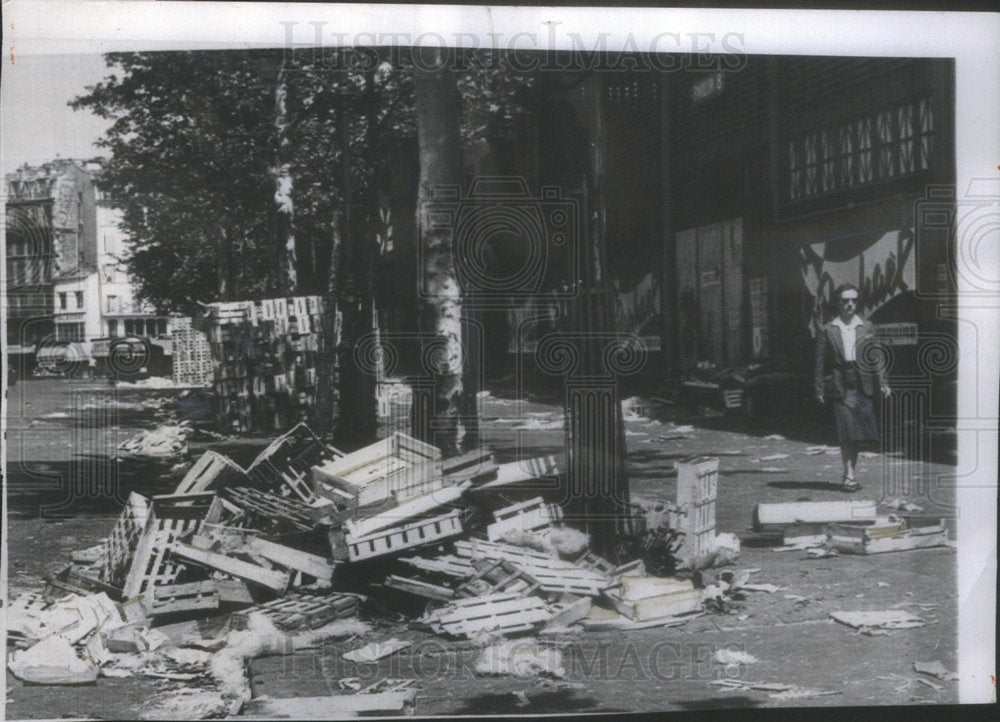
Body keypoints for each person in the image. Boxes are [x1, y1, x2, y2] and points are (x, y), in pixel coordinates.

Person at [814, 283, 891, 491]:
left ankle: (850, 473)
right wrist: (819, 388)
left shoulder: (866, 326)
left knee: (857, 433)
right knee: (847, 430)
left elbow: (876, 356)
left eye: (853, 301)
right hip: (840, 383)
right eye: (845, 301)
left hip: (861, 383)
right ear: (838, 303)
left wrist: (883, 382)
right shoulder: (828, 329)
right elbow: (821, 362)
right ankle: (848, 475)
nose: (850, 305)